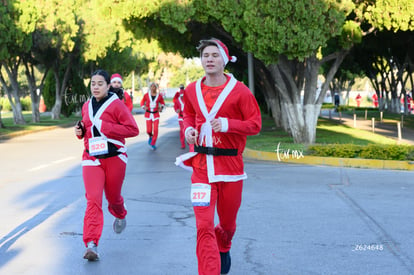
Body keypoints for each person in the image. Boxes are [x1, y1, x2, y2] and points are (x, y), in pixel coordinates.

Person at [175, 38, 261, 275]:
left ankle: (224, 244)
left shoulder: (240, 91)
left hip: (230, 167)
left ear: (224, 59)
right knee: (203, 226)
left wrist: (227, 124)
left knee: (227, 224)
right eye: (205, 56)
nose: (209, 59)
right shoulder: (192, 90)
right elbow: (189, 114)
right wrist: (188, 130)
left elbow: (255, 124)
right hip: (201, 167)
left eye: (214, 55)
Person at [74, 69, 139, 261]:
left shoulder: (117, 105)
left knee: (113, 197)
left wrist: (106, 127)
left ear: (108, 85)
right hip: (91, 158)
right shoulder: (86, 106)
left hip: (114, 158)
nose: (96, 87)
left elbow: (133, 129)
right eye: (93, 83)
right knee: (93, 199)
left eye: (100, 83)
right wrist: (80, 131)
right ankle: (91, 244)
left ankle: (120, 212)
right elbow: (86, 130)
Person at [140, 82, 165, 150]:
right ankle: (150, 136)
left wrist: (161, 108)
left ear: (156, 88)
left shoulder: (159, 96)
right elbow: (142, 102)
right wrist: (144, 107)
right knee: (148, 130)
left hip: (156, 114)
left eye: (154, 87)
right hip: (148, 114)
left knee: (156, 130)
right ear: (150, 87)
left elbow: (162, 103)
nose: (153, 88)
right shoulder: (146, 95)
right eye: (152, 86)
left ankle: (153, 143)